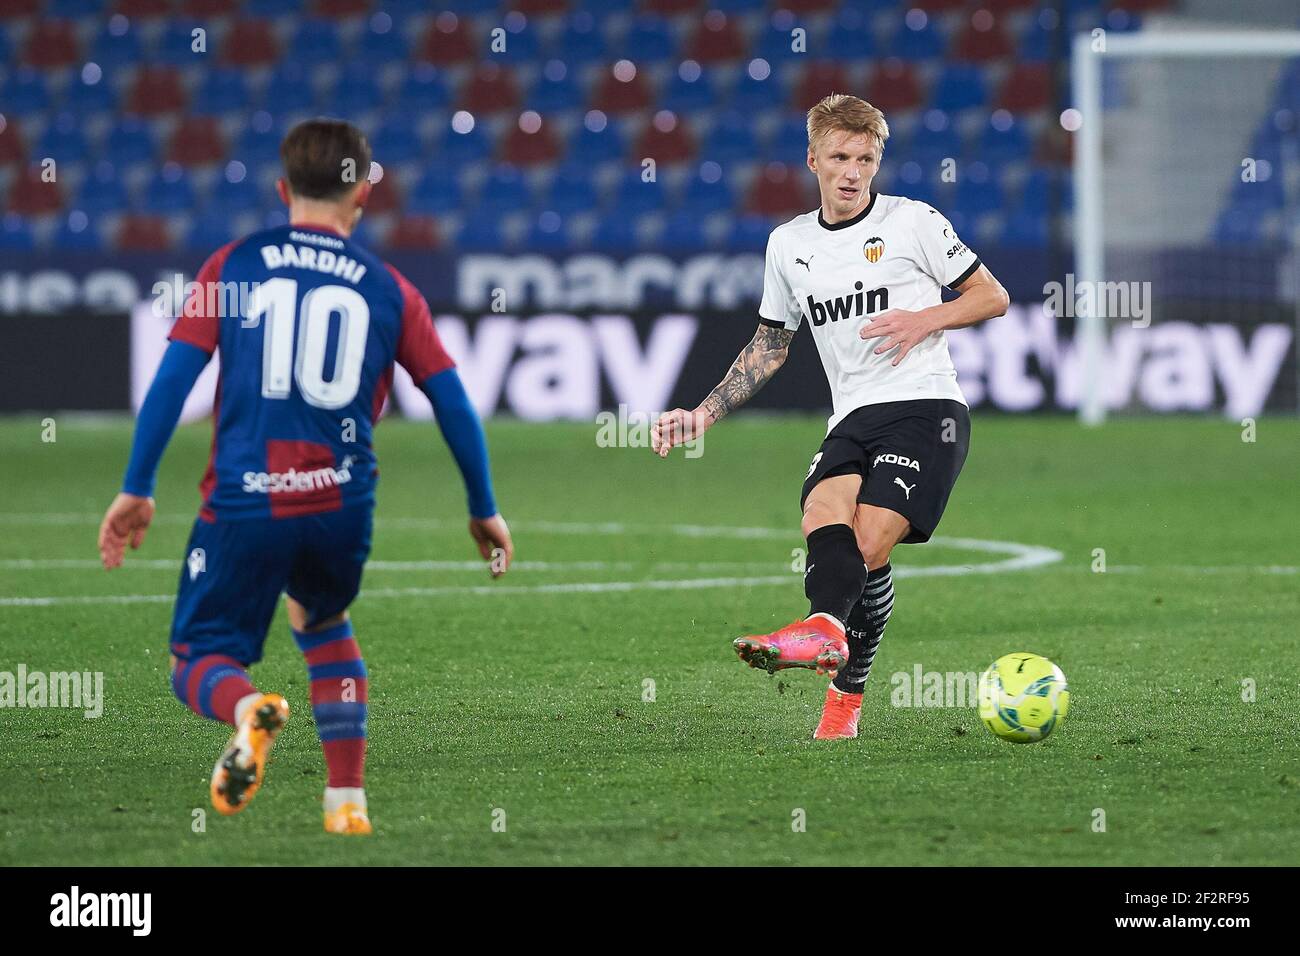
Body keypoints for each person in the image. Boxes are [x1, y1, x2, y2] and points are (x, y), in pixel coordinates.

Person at [98, 119, 513, 832]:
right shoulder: (391, 290)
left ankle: (246, 709)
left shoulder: (232, 265)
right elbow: (451, 399)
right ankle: (346, 802)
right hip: (342, 505)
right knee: (321, 618)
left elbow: (172, 382)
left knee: (197, 655)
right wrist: (483, 507)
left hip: (246, 500)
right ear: (363, 193)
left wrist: (138, 485)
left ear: (283, 188)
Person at [651, 94, 1009, 740]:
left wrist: (922, 318)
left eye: (865, 158)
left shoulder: (914, 223)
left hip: (927, 408)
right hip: (852, 416)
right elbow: (771, 344)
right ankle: (824, 635)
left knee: (867, 543)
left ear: (878, 161)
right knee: (822, 518)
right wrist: (703, 414)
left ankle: (840, 686)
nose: (852, 172)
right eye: (839, 157)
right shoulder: (788, 245)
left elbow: (993, 295)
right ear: (812, 158)